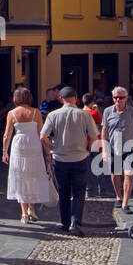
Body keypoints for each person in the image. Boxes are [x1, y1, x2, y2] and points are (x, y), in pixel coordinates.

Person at [41, 86, 97, 236]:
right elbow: (94, 136)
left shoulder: (53, 115)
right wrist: (89, 148)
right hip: (79, 157)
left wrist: (50, 145)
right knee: (79, 191)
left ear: (61, 98)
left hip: (60, 158)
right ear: (76, 98)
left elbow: (43, 136)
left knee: (63, 191)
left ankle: (65, 222)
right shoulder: (84, 115)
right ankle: (75, 222)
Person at [2, 87, 56, 223]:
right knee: (34, 175)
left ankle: (24, 213)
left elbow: (6, 135)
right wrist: (47, 152)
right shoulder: (36, 112)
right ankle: (32, 208)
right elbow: (41, 133)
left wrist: (4, 151)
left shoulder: (12, 113)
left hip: (19, 144)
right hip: (34, 144)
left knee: (20, 175)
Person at [101, 86, 133, 211]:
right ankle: (118, 197)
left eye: (121, 97)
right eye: (116, 97)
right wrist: (104, 148)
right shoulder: (108, 112)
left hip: (130, 147)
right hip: (114, 147)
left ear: (126, 98)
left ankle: (125, 202)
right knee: (115, 174)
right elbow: (104, 130)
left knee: (129, 174)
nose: (118, 100)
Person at [80, 92, 108, 197]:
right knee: (99, 168)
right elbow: (102, 124)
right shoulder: (94, 113)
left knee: (87, 169)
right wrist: (97, 111)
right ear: (92, 102)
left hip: (83, 143)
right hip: (96, 143)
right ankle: (102, 190)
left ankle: (89, 190)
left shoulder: (80, 113)